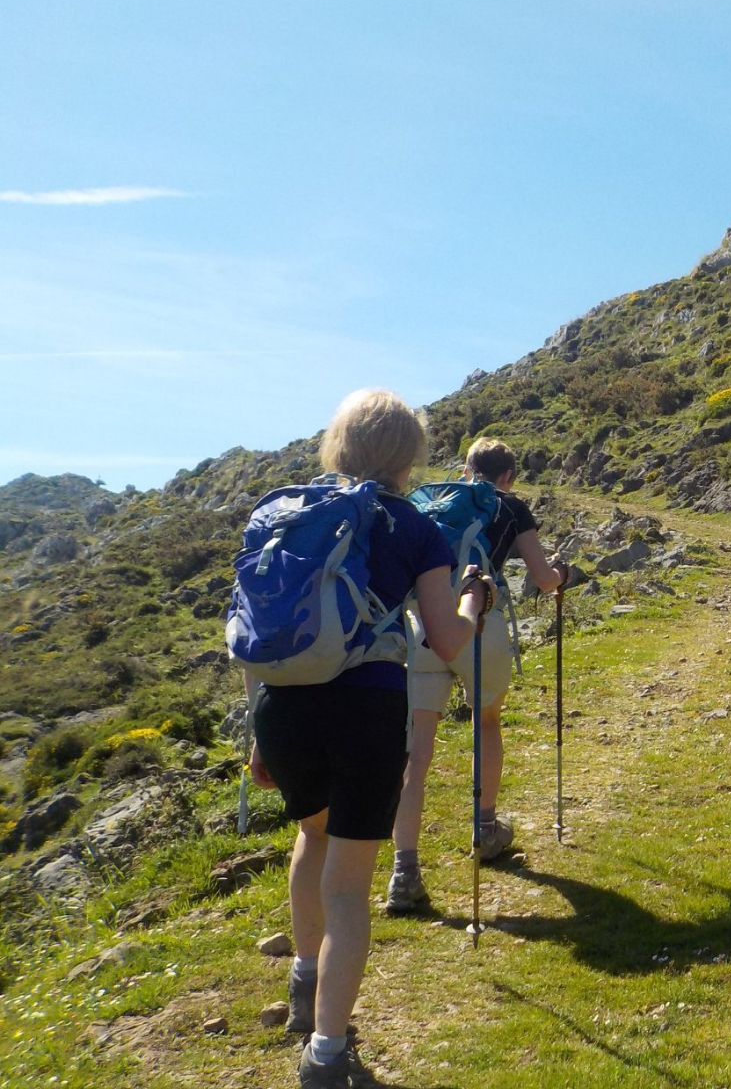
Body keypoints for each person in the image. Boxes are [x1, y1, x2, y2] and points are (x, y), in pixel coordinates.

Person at [247, 389, 492, 1089]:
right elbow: (447, 639)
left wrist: (259, 731)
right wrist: (474, 599)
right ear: (409, 455)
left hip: (283, 708)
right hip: (366, 709)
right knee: (350, 889)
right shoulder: (414, 527)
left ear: (339, 445)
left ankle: (304, 982)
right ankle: (326, 1054)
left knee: (312, 837)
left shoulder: (283, 514)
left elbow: (253, 628)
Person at [386, 437, 566, 914]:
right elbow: (543, 578)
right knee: (486, 720)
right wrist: (561, 577)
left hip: (423, 627)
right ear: (508, 477)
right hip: (479, 622)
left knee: (416, 752)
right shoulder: (510, 506)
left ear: (466, 470)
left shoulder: (432, 504)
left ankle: (404, 871)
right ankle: (485, 830)